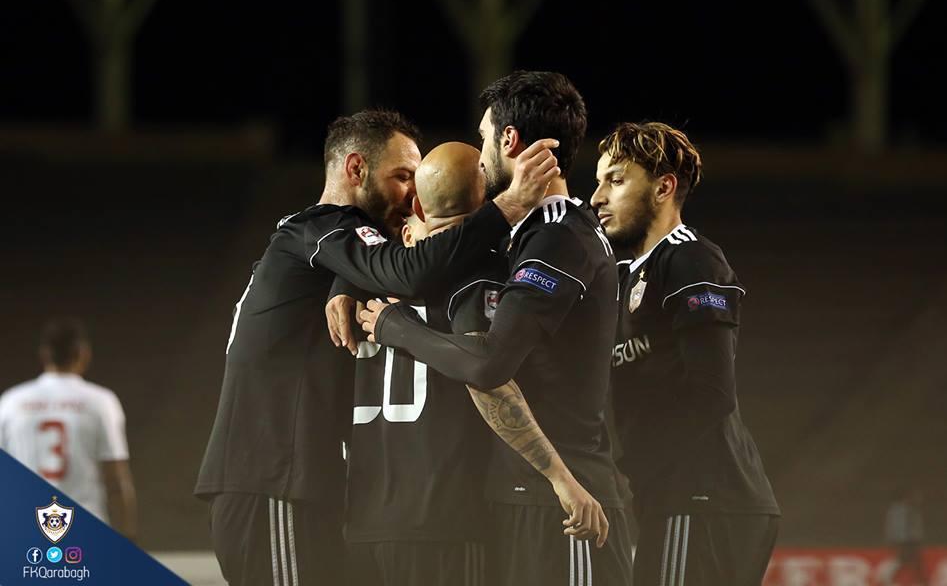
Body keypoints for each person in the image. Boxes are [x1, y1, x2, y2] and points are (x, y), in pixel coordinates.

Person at [195, 109, 559, 586]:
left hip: (302, 485)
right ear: (355, 169)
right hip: (272, 481)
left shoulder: (324, 246)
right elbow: (408, 270)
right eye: (402, 176)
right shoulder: (323, 225)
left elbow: (388, 262)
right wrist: (507, 206)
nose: (413, 193)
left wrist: (345, 283)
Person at [360, 72, 633, 586]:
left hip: (569, 502)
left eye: (484, 137)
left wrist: (394, 326)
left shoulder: (559, 237)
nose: (480, 155)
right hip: (526, 496)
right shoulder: (525, 234)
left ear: (509, 139)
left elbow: (490, 363)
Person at [590, 122, 780, 585]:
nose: (597, 197)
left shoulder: (689, 258)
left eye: (616, 180)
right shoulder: (624, 274)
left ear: (663, 188)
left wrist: (645, 467)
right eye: (598, 181)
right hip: (678, 497)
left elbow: (712, 392)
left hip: (702, 496)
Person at [0, 319, 137, 539]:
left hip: (25, 528)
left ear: (44, 354)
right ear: (83, 353)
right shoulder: (100, 402)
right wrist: (128, 536)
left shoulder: (11, 402)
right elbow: (116, 479)